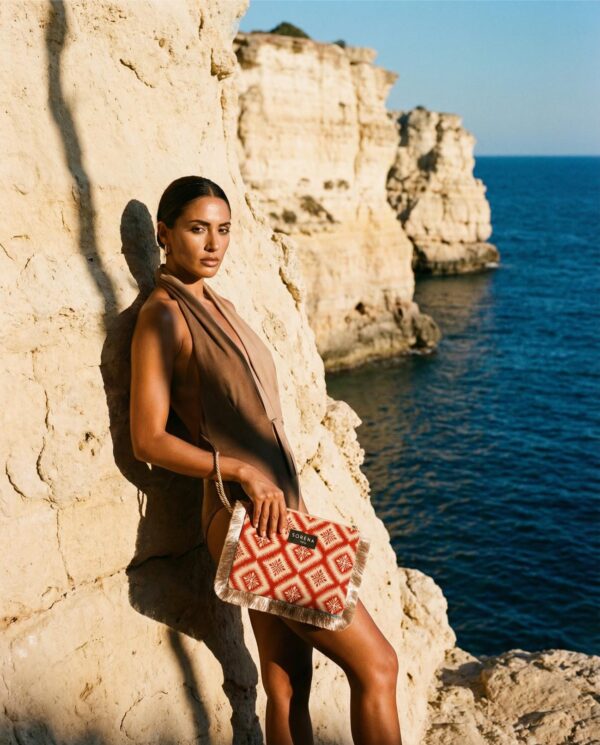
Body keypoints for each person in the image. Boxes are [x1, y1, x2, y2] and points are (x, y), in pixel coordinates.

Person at [129, 175, 403, 745]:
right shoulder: (164, 314)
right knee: (378, 666)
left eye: (224, 230)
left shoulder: (220, 304)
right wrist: (239, 470)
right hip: (243, 516)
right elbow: (147, 439)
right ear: (164, 233)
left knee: (288, 685)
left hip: (280, 513)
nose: (214, 244)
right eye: (197, 229)